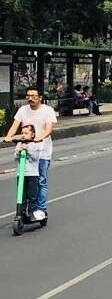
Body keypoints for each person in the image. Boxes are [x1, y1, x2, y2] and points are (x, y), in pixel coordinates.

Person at [4, 87, 57, 215]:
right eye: (28, 96)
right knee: (24, 181)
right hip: (26, 150)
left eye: (33, 96)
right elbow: (15, 125)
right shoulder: (23, 110)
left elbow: (49, 128)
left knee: (41, 181)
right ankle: (23, 210)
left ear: (40, 97)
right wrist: (8, 136)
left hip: (42, 151)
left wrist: (41, 136)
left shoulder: (48, 110)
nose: (30, 98)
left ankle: (40, 210)